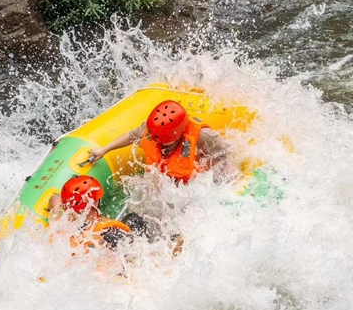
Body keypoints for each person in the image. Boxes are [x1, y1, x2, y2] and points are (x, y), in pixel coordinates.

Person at [89, 100, 229, 184]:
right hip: (166, 181)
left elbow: (227, 153)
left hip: (192, 181)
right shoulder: (151, 130)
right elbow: (130, 136)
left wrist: (218, 178)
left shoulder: (203, 136)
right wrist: (104, 150)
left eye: (163, 142)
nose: (159, 145)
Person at [48, 175, 131, 251]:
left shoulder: (60, 232)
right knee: (133, 219)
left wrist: (55, 208)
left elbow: (54, 210)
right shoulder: (106, 229)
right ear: (95, 202)